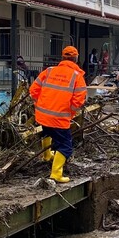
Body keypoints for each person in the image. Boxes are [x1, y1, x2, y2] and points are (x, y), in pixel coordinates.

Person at [29, 46, 87, 183]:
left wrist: (40, 106)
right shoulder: (77, 77)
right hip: (60, 118)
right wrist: (70, 112)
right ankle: (56, 174)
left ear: (62, 57)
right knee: (65, 146)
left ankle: (47, 156)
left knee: (47, 133)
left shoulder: (49, 71)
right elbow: (78, 101)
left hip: (43, 115)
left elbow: (33, 90)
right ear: (76, 59)